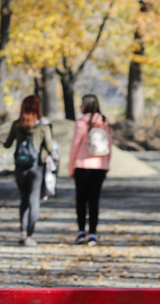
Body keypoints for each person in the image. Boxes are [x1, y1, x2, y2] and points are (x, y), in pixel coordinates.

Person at [3, 95, 53, 247]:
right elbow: (50, 148)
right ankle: (30, 236)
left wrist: (4, 142)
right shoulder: (44, 126)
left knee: (24, 200)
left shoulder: (16, 124)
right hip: (37, 167)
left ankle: (22, 231)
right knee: (34, 200)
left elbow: (8, 144)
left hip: (20, 167)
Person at [68, 94, 111, 247]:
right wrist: (107, 165)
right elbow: (109, 146)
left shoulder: (81, 122)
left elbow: (75, 145)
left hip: (82, 165)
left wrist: (71, 166)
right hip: (100, 166)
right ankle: (92, 234)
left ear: (85, 105)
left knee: (81, 199)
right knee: (94, 201)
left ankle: (81, 232)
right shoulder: (104, 121)